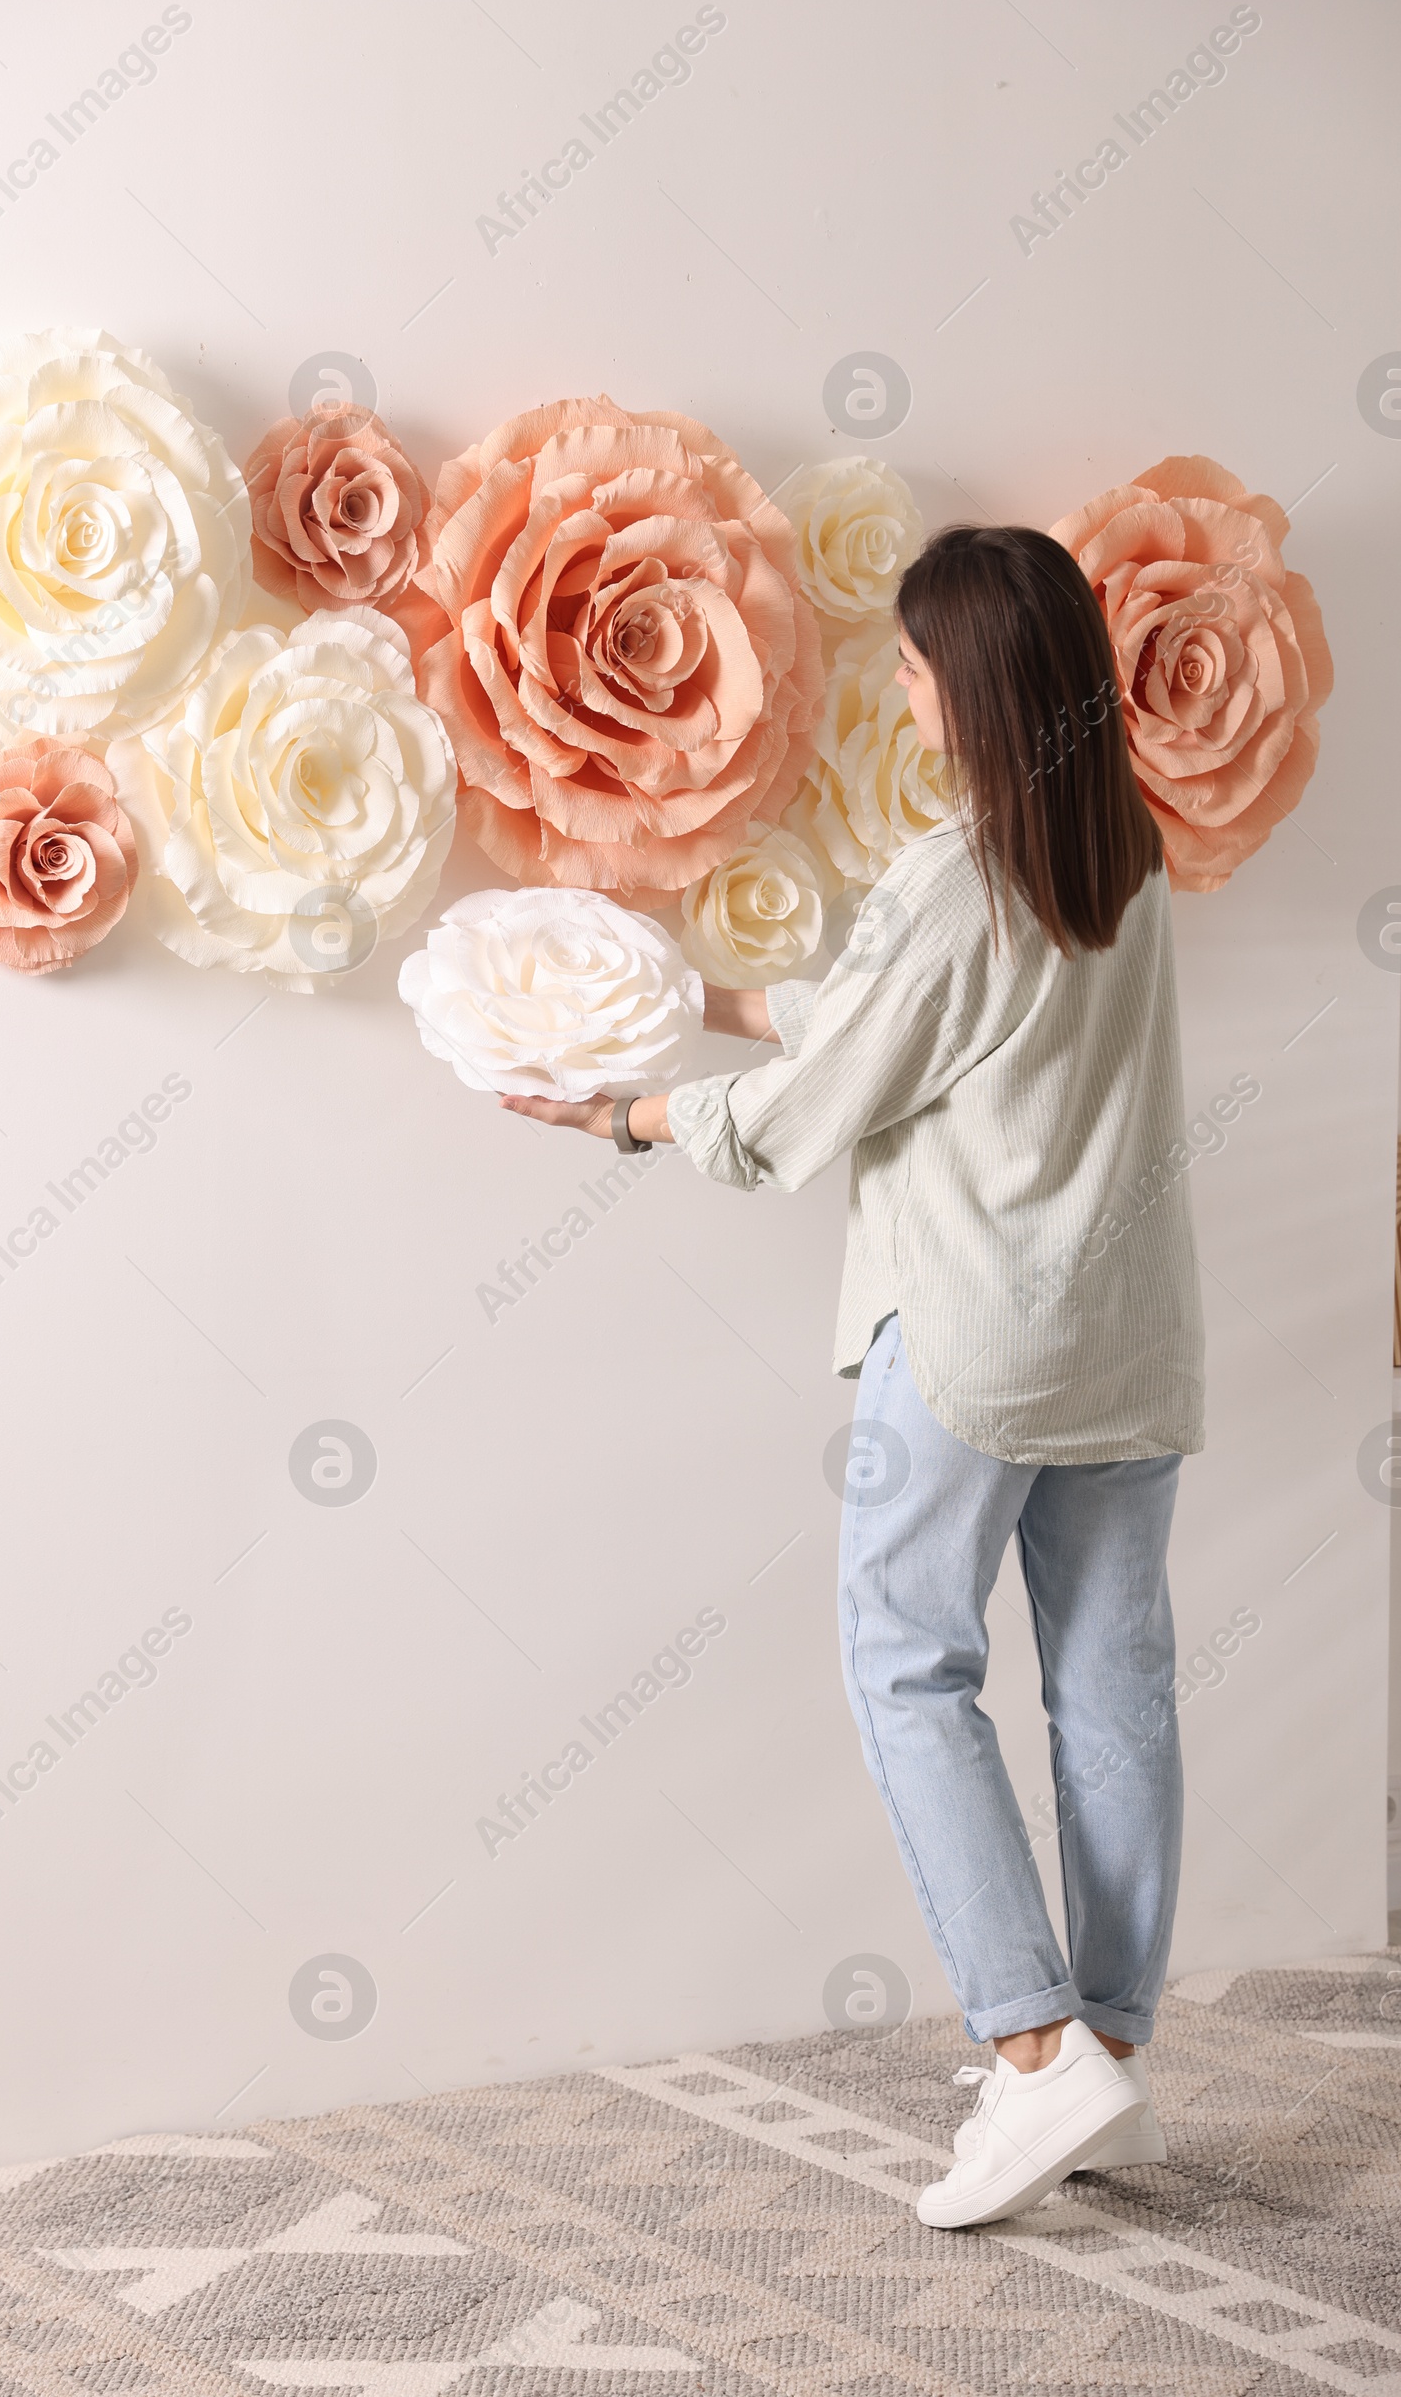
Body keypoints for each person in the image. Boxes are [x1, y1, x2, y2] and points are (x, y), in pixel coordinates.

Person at [498, 523, 1204, 2228]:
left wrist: (617, 1110)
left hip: (972, 1343)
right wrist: (707, 987)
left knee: (906, 1667)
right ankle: (1102, 2046)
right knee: (1111, 1700)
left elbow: (808, 1123)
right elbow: (903, 1016)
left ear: (966, 681)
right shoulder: (1123, 854)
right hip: (1126, 1341)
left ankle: (1033, 2058)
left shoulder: (955, 881)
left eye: (909, 662)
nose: (898, 686)